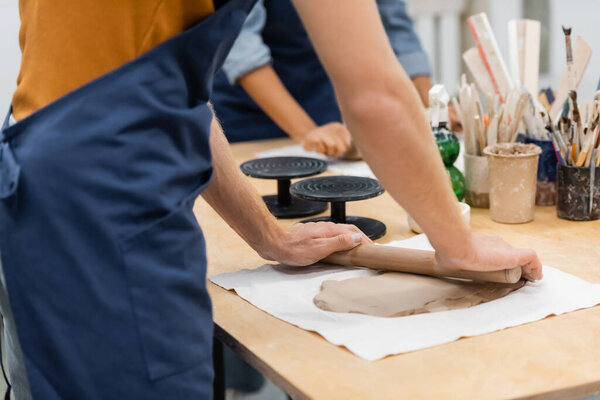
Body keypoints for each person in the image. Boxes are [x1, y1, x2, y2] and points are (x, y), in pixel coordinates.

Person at [0, 1, 541, 399]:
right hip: (102, 202)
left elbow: (174, 93)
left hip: (44, 178)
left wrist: (268, 234)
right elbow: (375, 92)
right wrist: (457, 243)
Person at [212, 0, 460, 157]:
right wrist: (307, 130)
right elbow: (241, 47)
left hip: (318, 100)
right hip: (244, 118)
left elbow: (393, 22)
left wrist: (432, 105)